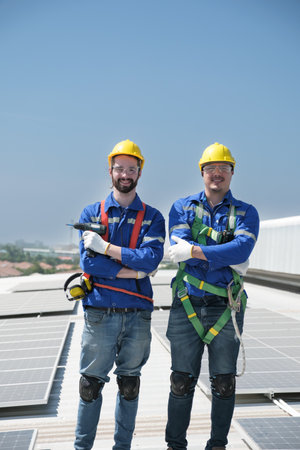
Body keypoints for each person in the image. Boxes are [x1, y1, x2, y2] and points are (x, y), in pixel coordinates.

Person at [165, 142, 259, 450]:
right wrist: (224, 254)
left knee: (224, 382)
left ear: (232, 172)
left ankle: (217, 444)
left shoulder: (246, 212)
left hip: (225, 305)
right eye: (210, 169)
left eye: (223, 169)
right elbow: (178, 249)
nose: (216, 174)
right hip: (187, 303)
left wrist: (194, 250)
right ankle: (175, 445)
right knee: (181, 381)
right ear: (202, 173)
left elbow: (242, 249)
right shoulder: (182, 208)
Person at [74, 139, 165, 450]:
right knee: (90, 386)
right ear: (109, 170)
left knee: (129, 386)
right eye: (120, 168)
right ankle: (82, 447)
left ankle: (122, 447)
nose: (125, 174)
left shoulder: (153, 217)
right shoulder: (92, 213)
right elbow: (88, 262)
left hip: (137, 316)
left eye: (131, 169)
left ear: (139, 172)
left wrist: (109, 251)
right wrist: (135, 271)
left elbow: (151, 260)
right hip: (99, 314)